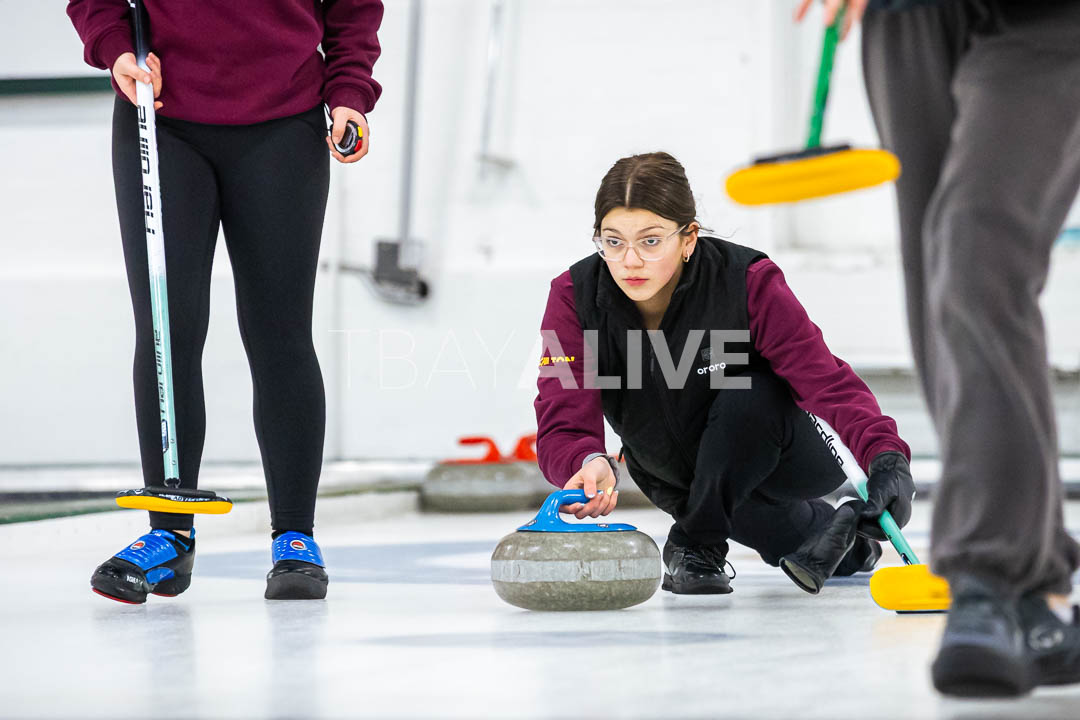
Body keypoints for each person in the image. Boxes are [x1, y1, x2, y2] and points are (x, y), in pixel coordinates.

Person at [797, 0, 1080, 697]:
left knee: (975, 252)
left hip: (1048, 19)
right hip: (910, 17)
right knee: (939, 291)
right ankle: (1038, 603)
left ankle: (987, 579)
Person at [66, 0, 383, 602]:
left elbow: (354, 9)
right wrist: (116, 49)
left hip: (284, 121)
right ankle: (169, 535)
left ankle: (295, 537)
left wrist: (350, 92)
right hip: (159, 115)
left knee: (279, 333)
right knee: (167, 331)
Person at [534, 151, 914, 595]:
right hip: (686, 482)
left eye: (650, 241)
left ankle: (695, 541)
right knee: (800, 541)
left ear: (689, 238)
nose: (630, 261)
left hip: (789, 454)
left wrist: (887, 457)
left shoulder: (747, 281)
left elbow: (825, 383)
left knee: (748, 391)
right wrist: (588, 461)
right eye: (613, 242)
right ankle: (853, 546)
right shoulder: (573, 298)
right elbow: (563, 419)